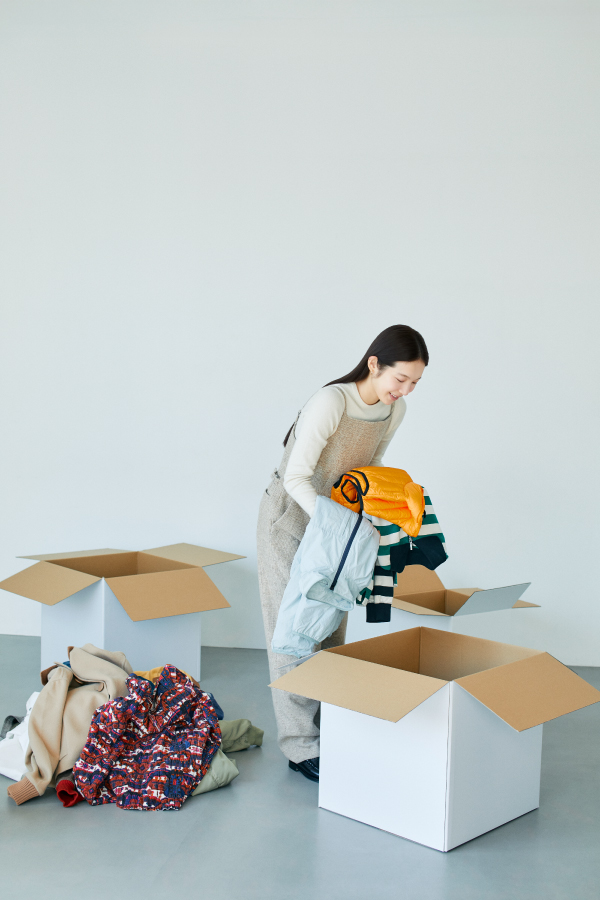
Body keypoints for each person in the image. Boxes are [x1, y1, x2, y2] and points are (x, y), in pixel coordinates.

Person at [256, 324, 428, 782]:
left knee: (331, 627)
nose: (405, 390)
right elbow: (297, 478)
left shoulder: (396, 410)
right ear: (374, 364)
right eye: (400, 379)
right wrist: (334, 526)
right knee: (291, 631)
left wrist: (380, 512)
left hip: (341, 527)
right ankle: (299, 746)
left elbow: (373, 469)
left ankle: (330, 731)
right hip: (290, 519)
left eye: (414, 382)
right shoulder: (331, 401)